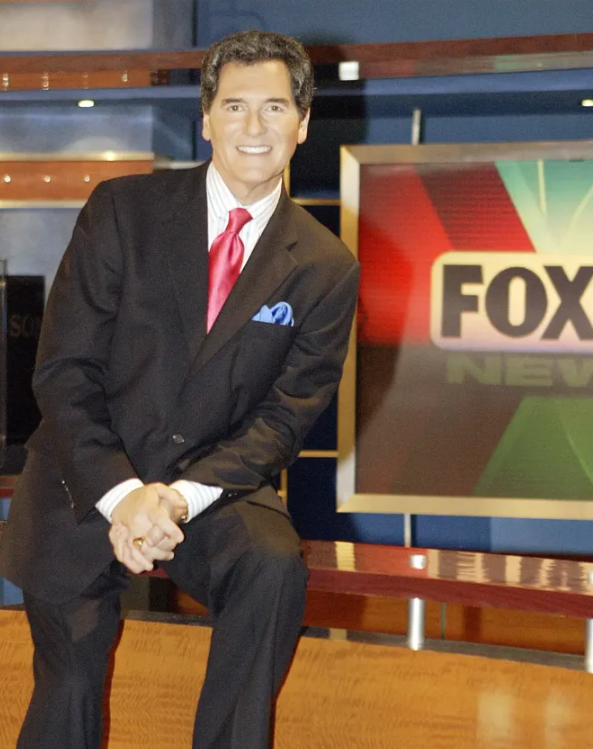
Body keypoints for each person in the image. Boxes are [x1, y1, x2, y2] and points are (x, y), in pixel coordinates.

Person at [0, 29, 360, 749]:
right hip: (83, 477)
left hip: (208, 486)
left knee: (270, 566)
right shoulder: (121, 210)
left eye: (274, 108)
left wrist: (174, 498)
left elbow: (282, 421)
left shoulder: (326, 266)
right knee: (69, 686)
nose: (253, 126)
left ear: (302, 122)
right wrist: (123, 494)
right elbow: (64, 371)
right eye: (234, 106)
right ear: (205, 119)